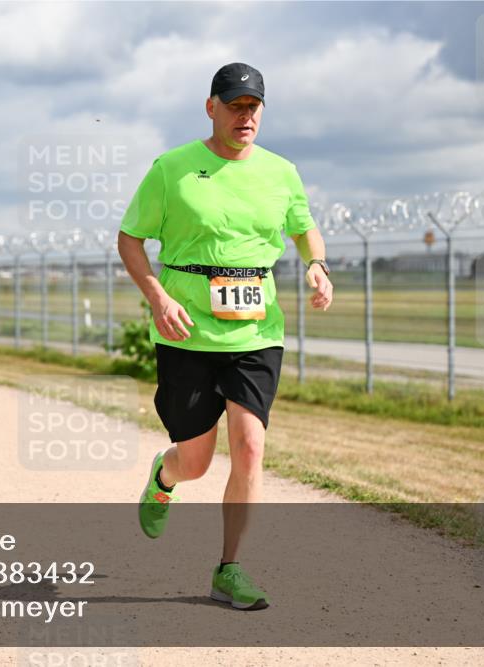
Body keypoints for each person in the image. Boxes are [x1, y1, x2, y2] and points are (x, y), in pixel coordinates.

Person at [119, 62, 334, 611]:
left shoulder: (281, 171)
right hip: (186, 331)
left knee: (250, 446)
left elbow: (302, 224)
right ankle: (164, 478)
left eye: (254, 107)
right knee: (196, 460)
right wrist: (159, 299)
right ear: (211, 107)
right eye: (236, 106)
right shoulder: (172, 169)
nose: (246, 116)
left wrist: (317, 264)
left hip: (257, 332)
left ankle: (229, 569)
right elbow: (130, 239)